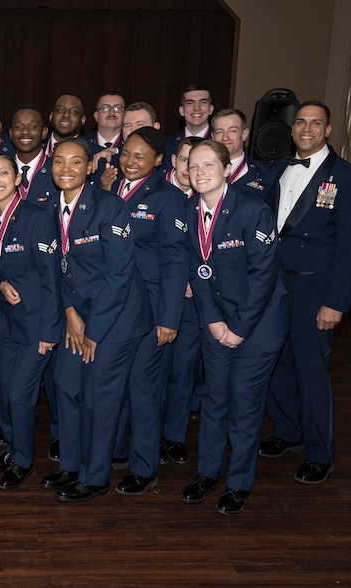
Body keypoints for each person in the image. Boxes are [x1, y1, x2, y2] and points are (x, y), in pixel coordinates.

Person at [261, 101, 351, 485]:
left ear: (327, 130)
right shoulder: (278, 169)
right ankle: (288, 431)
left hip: (314, 288)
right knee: (276, 362)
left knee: (311, 369)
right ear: (292, 128)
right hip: (275, 284)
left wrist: (336, 302)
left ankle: (319, 452)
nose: (306, 128)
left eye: (316, 123)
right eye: (301, 122)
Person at [180, 140, 289, 515]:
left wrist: (237, 328)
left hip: (258, 326)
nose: (200, 172)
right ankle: (207, 473)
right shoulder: (189, 210)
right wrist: (211, 319)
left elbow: (264, 277)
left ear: (227, 169)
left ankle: (239, 482)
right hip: (217, 322)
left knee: (244, 402)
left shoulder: (252, 210)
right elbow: (198, 269)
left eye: (209, 164)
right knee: (214, 399)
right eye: (194, 166)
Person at [41, 139, 152, 503]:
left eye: (76, 162)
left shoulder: (110, 207)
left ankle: (96, 476)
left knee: (99, 396)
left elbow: (119, 275)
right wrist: (71, 314)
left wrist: (94, 329)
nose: (66, 168)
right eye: (59, 161)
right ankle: (71, 466)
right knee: (67, 384)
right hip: (77, 312)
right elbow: (52, 269)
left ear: (90, 167)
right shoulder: (45, 209)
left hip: (117, 316)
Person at [106, 128, 188, 496]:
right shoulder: (109, 189)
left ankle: (144, 467)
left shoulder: (168, 198)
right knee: (119, 383)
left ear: (159, 161)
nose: (130, 161)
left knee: (143, 388)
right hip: (115, 310)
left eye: (140, 156)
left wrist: (169, 318)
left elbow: (175, 261)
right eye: (126, 153)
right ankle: (120, 451)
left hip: (152, 311)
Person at [0, 155, 62, 490]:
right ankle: (14, 450)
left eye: (3, 173)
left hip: (36, 325)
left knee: (19, 394)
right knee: (5, 393)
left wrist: (49, 331)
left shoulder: (35, 218)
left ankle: (24, 460)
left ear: (17, 179)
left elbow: (52, 279)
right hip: (6, 323)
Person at [161, 135, 204, 464]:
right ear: (173, 160)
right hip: (154, 298)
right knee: (153, 370)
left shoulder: (207, 200)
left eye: (198, 161)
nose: (191, 167)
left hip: (191, 302)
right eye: (185, 159)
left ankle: (173, 435)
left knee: (182, 369)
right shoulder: (156, 194)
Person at [210, 108, 273, 199]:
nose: (225, 138)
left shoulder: (266, 174)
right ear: (213, 137)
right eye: (219, 132)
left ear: (244, 134)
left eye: (232, 131)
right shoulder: (201, 171)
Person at [164, 84, 215, 171]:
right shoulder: (167, 145)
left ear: (210, 109)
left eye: (203, 102)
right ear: (182, 111)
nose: (196, 108)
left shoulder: (220, 142)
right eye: (190, 103)